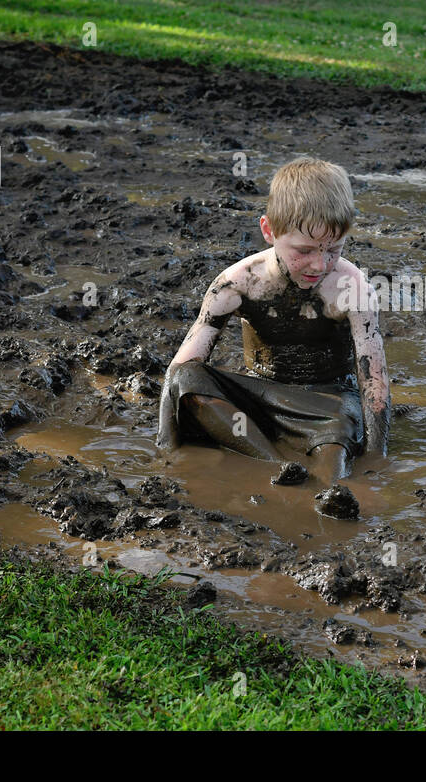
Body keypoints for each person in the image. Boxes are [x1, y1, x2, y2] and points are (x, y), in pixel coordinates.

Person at [156, 158, 390, 516]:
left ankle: (321, 491)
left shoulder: (353, 288)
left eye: (334, 249)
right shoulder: (236, 283)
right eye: (304, 250)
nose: (319, 264)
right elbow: (183, 369)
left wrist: (376, 459)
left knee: (341, 431)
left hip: (327, 405)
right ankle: (274, 465)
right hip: (258, 399)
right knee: (186, 380)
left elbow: (373, 382)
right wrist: (167, 444)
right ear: (269, 231)